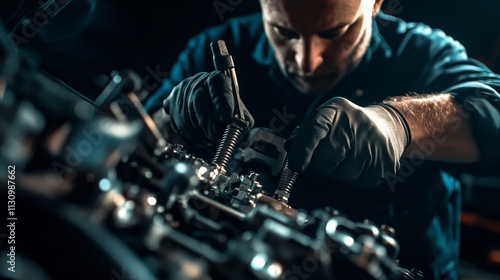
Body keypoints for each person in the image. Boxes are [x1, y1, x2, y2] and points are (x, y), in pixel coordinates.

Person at [144, 0, 500, 278]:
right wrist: (172, 119)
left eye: (334, 33)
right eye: (284, 32)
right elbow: (132, 136)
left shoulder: (422, 56)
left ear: (375, 5)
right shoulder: (216, 47)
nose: (307, 61)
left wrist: (400, 124)